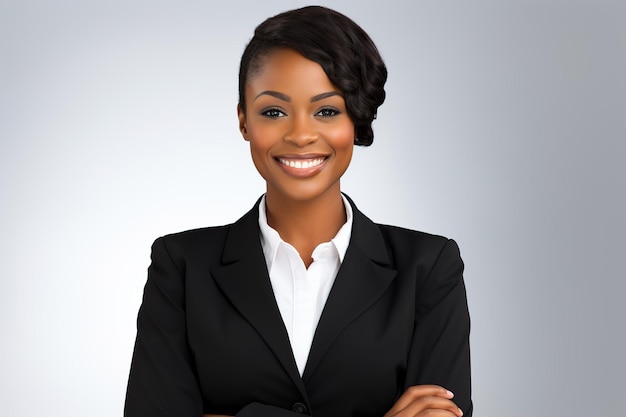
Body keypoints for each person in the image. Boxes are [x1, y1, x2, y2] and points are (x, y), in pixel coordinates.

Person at [124, 6, 472, 417]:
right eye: (274, 112)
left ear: (355, 121)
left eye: (327, 110)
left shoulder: (428, 268)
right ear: (244, 121)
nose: (301, 134)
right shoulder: (181, 267)